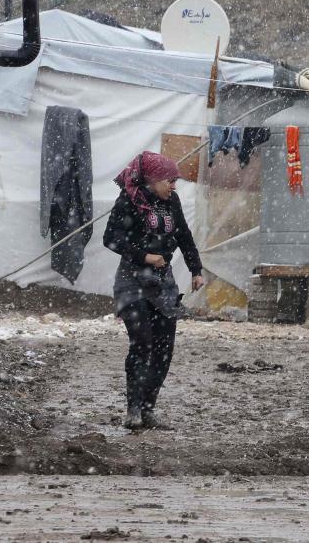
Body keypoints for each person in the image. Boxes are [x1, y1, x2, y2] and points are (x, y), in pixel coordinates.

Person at [103, 151, 204, 430]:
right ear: (153, 179)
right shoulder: (129, 199)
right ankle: (133, 409)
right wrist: (144, 256)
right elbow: (110, 238)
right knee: (142, 344)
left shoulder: (172, 201)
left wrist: (196, 269)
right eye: (169, 181)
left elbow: (183, 234)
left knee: (164, 349)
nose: (173, 186)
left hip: (163, 283)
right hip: (132, 281)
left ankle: (148, 409)